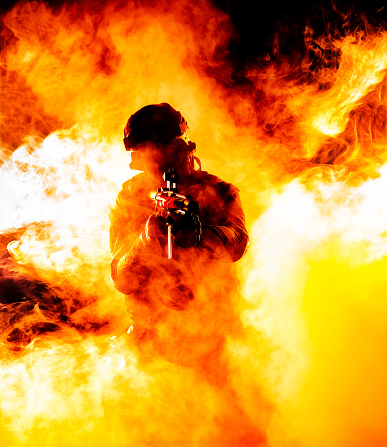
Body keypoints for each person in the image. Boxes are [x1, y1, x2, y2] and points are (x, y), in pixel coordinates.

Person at [109, 103, 249, 371]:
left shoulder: (219, 192)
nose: (164, 166)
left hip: (211, 341)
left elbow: (237, 241)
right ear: (139, 160)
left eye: (171, 153)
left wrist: (200, 234)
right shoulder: (129, 200)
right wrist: (146, 241)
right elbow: (120, 276)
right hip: (150, 343)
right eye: (153, 157)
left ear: (185, 149)